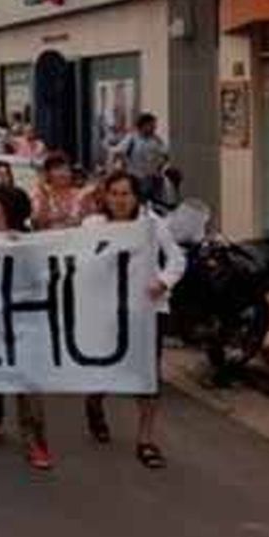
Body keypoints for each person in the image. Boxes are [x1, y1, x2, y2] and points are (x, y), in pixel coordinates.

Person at [82, 171, 185, 469]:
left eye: (125, 193)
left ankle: (146, 440)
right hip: (106, 311)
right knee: (103, 366)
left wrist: (163, 282)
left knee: (146, 375)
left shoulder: (153, 225)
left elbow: (177, 259)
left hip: (146, 312)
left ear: (136, 196)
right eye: (114, 193)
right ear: (105, 196)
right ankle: (94, 402)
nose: (119, 199)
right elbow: (78, 257)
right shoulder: (93, 225)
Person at [0, 188, 54, 470]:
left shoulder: (28, 242)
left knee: (27, 381)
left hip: (22, 320)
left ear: (4, 208)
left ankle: (35, 440)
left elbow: (42, 279)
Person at [108, 112, 170, 204]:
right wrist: (119, 166)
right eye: (151, 125)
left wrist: (159, 168)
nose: (154, 128)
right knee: (136, 203)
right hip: (135, 177)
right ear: (143, 125)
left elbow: (166, 155)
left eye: (154, 125)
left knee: (154, 204)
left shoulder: (156, 140)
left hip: (152, 179)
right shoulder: (132, 138)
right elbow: (118, 152)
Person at [32, 152, 92, 231]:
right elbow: (38, 223)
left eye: (66, 169)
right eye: (57, 169)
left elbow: (85, 220)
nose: (63, 173)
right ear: (48, 174)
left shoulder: (81, 194)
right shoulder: (40, 193)